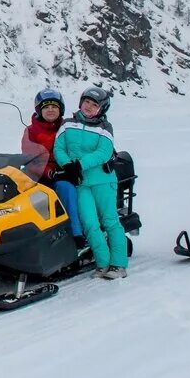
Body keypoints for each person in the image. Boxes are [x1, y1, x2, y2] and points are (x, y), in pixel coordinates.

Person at [53, 86, 129, 279]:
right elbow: (59, 148)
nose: (88, 107)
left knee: (110, 221)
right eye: (86, 102)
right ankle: (102, 263)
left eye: (94, 105)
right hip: (80, 183)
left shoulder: (105, 128)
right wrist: (68, 166)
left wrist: (79, 164)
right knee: (89, 223)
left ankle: (118, 264)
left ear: (101, 109)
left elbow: (103, 152)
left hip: (103, 181)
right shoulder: (67, 124)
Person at [21, 88, 83, 242]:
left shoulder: (68, 127)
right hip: (39, 174)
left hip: (65, 172)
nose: (50, 110)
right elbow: (31, 156)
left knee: (66, 189)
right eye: (46, 107)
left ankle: (75, 234)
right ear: (39, 110)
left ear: (60, 109)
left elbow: (81, 143)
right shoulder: (31, 131)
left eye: (54, 107)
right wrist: (49, 172)